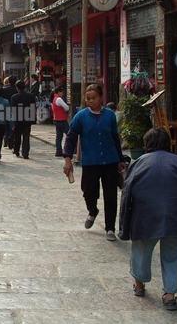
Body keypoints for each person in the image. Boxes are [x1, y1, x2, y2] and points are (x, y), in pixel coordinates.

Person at [119, 128, 177, 311]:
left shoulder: (138, 163)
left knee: (141, 251)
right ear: (169, 144)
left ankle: (139, 284)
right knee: (173, 255)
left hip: (145, 217)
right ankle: (169, 294)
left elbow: (126, 195)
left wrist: (124, 226)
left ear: (146, 145)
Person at [63, 84, 126, 241]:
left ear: (101, 98)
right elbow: (71, 137)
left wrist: (120, 159)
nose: (90, 101)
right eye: (88, 98)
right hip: (90, 162)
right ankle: (92, 210)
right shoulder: (81, 116)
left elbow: (115, 138)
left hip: (110, 161)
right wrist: (67, 158)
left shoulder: (110, 116)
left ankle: (110, 228)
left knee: (111, 195)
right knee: (88, 191)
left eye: (94, 98)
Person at [10, 80, 36, 159]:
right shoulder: (31, 96)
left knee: (17, 136)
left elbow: (13, 110)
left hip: (18, 119)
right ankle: (25, 153)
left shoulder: (14, 97)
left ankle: (17, 151)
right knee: (26, 136)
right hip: (28, 119)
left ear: (17, 88)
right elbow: (33, 108)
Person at [51, 86, 70, 157]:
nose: (63, 93)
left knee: (59, 137)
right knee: (69, 134)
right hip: (62, 120)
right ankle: (69, 149)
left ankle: (58, 151)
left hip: (56, 120)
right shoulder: (59, 99)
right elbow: (67, 107)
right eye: (62, 91)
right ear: (58, 92)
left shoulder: (54, 98)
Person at [1, 76, 18, 148]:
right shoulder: (17, 90)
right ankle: (11, 142)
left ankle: (5, 141)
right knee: (12, 127)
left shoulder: (4, 89)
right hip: (15, 110)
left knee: (6, 126)